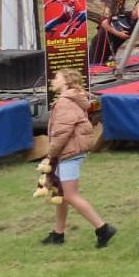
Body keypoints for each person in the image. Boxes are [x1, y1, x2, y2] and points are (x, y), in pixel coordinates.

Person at [42, 69, 117, 247]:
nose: (53, 80)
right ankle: (58, 233)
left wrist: (50, 155)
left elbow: (61, 133)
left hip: (69, 153)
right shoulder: (72, 99)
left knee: (70, 195)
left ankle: (103, 228)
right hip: (72, 152)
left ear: (66, 82)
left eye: (57, 78)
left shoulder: (64, 103)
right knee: (60, 194)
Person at [89, 2, 138, 69]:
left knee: (107, 67)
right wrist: (119, 34)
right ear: (134, 8)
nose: (138, 12)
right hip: (101, 43)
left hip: (113, 47)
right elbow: (104, 23)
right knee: (94, 66)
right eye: (137, 9)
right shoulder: (124, 15)